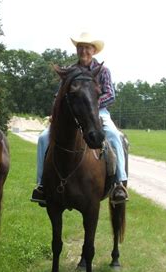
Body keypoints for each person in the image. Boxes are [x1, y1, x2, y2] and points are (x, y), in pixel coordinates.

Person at [30, 32, 128, 205]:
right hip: (73, 114)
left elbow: (110, 95)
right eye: (80, 47)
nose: (84, 51)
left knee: (114, 136)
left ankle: (119, 183)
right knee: (44, 138)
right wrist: (56, 112)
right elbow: (59, 95)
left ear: (93, 50)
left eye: (87, 47)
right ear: (77, 50)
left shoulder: (103, 71)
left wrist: (92, 104)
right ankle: (42, 185)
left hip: (99, 112)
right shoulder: (69, 72)